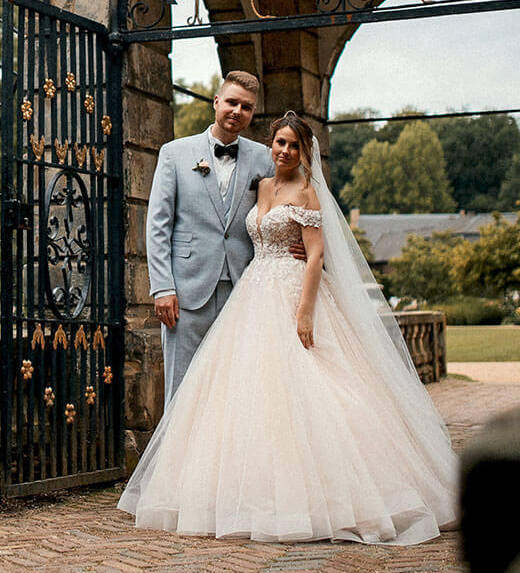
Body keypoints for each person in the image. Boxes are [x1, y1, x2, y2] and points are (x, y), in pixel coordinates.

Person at [118, 113, 457, 543]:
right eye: (279, 143)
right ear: (270, 144)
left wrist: (305, 311)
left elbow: (314, 256)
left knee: (312, 388)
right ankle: (241, 491)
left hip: (293, 293)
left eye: (294, 146)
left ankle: (328, 494)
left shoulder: (308, 193)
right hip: (252, 291)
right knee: (247, 395)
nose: (284, 151)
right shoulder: (258, 183)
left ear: (304, 152)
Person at [146, 71, 275, 405]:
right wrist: (163, 288)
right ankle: (177, 459)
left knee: (239, 387)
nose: (237, 111)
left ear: (252, 112)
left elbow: (281, 210)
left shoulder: (264, 158)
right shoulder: (175, 153)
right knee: (183, 388)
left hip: (244, 289)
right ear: (216, 102)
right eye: (231, 102)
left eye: (246, 107)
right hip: (186, 293)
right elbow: (159, 224)